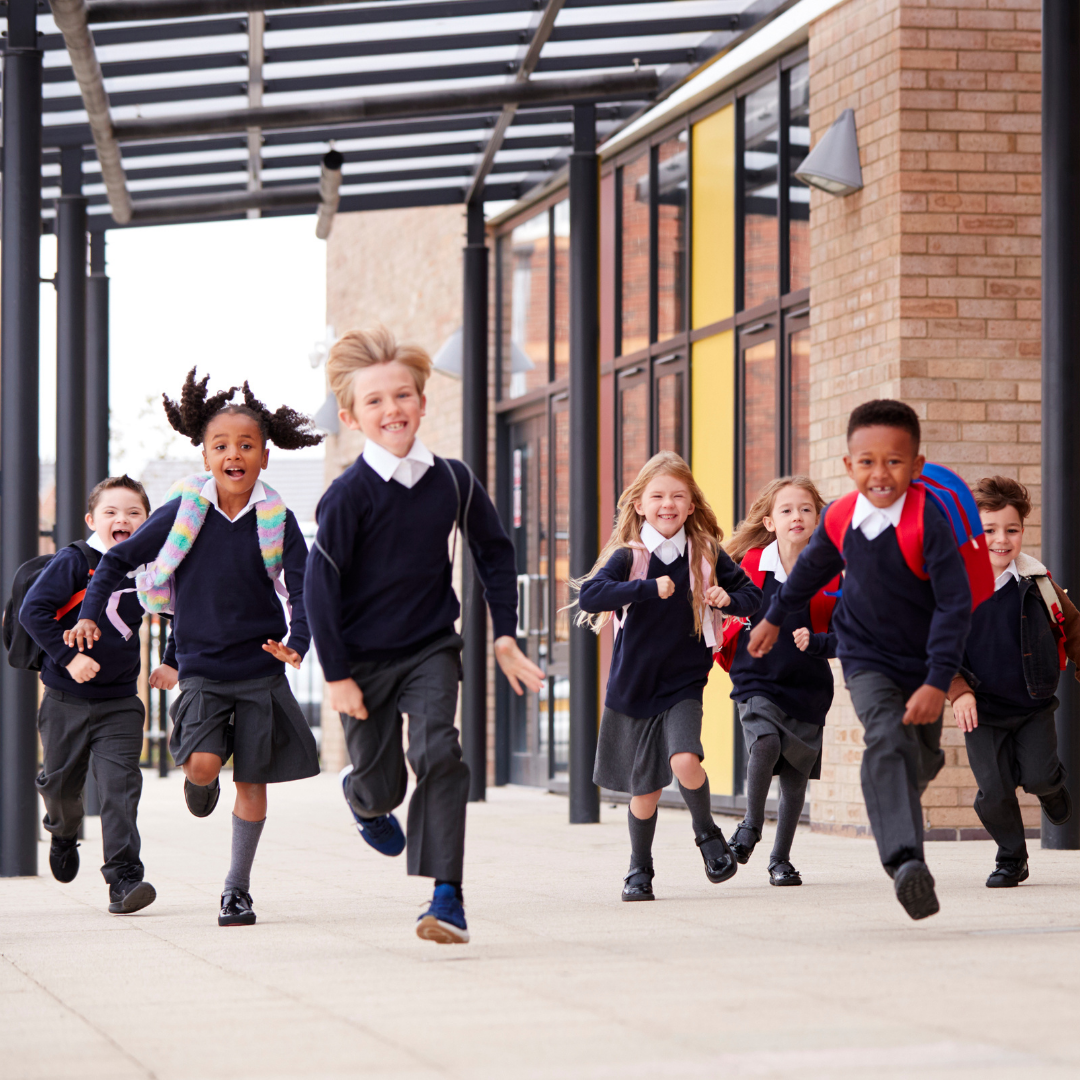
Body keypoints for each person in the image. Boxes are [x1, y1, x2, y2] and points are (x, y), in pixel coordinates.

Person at [305, 325, 544, 946]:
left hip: (432, 647)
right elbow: (319, 588)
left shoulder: (454, 480)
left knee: (441, 753)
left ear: (422, 402)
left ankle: (446, 896)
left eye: (403, 395)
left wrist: (503, 634)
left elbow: (493, 553)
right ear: (353, 417)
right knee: (383, 781)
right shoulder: (345, 497)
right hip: (359, 660)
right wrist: (335, 676)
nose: (393, 409)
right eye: (376, 401)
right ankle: (361, 795)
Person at [67, 372, 322, 927]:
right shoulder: (185, 511)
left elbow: (304, 587)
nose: (234, 454)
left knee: (251, 782)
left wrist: (298, 640)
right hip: (203, 668)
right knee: (205, 767)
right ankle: (198, 777)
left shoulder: (276, 519)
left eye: (246, 446)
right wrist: (90, 614)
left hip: (259, 667)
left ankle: (236, 890)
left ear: (264, 457)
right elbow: (115, 560)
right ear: (205, 455)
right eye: (222, 446)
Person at [748, 400, 972, 920]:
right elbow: (807, 573)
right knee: (886, 739)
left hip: (923, 661)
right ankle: (905, 862)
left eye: (894, 461)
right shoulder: (843, 516)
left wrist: (939, 680)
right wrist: (774, 616)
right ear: (849, 466)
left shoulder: (929, 522)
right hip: (864, 655)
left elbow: (955, 606)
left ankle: (896, 798)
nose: (880, 472)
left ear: (916, 466)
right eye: (866, 461)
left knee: (922, 757)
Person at [575, 450, 762, 902]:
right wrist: (644, 589)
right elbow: (590, 596)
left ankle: (708, 837)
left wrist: (726, 599)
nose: (668, 504)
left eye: (678, 496)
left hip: (683, 684)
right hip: (633, 687)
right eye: (657, 495)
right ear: (639, 503)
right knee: (647, 791)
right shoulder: (630, 556)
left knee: (684, 760)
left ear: (692, 505)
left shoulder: (706, 552)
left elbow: (752, 596)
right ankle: (639, 870)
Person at [20, 476, 163, 914]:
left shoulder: (150, 567)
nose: (123, 519)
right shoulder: (74, 561)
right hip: (65, 699)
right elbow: (33, 612)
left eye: (134, 513)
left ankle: (124, 880)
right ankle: (63, 830)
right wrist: (68, 657)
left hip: (120, 702)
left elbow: (181, 609)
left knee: (120, 789)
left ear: (147, 521)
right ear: (92, 520)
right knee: (60, 786)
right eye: (111, 512)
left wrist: (173, 659)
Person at [947, 476, 1079, 887]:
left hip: (1032, 704)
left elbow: (1071, 626)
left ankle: (1052, 787)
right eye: (989, 531)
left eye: (1012, 530)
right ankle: (1011, 859)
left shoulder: (1038, 583)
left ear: (1023, 531)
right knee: (995, 791)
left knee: (1038, 775)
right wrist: (959, 691)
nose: (1001, 540)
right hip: (982, 712)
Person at [724, 476, 837, 887]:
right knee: (767, 742)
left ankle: (780, 860)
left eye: (806, 509)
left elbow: (849, 631)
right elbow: (722, 609)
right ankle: (751, 825)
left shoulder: (831, 571)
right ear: (769, 522)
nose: (797, 516)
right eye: (786, 510)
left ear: (817, 519)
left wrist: (820, 643)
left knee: (795, 776)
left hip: (808, 683)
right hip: (757, 678)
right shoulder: (750, 565)